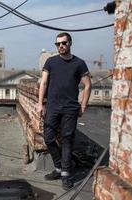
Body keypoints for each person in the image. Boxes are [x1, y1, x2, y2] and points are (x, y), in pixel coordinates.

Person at [37, 32, 91, 190]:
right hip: (53, 107)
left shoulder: (79, 63)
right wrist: (40, 103)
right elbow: (44, 83)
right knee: (48, 138)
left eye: (64, 43)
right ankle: (59, 167)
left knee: (67, 140)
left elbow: (88, 85)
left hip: (70, 108)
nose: (61, 46)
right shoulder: (51, 62)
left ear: (70, 43)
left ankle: (66, 174)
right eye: (58, 44)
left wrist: (83, 105)